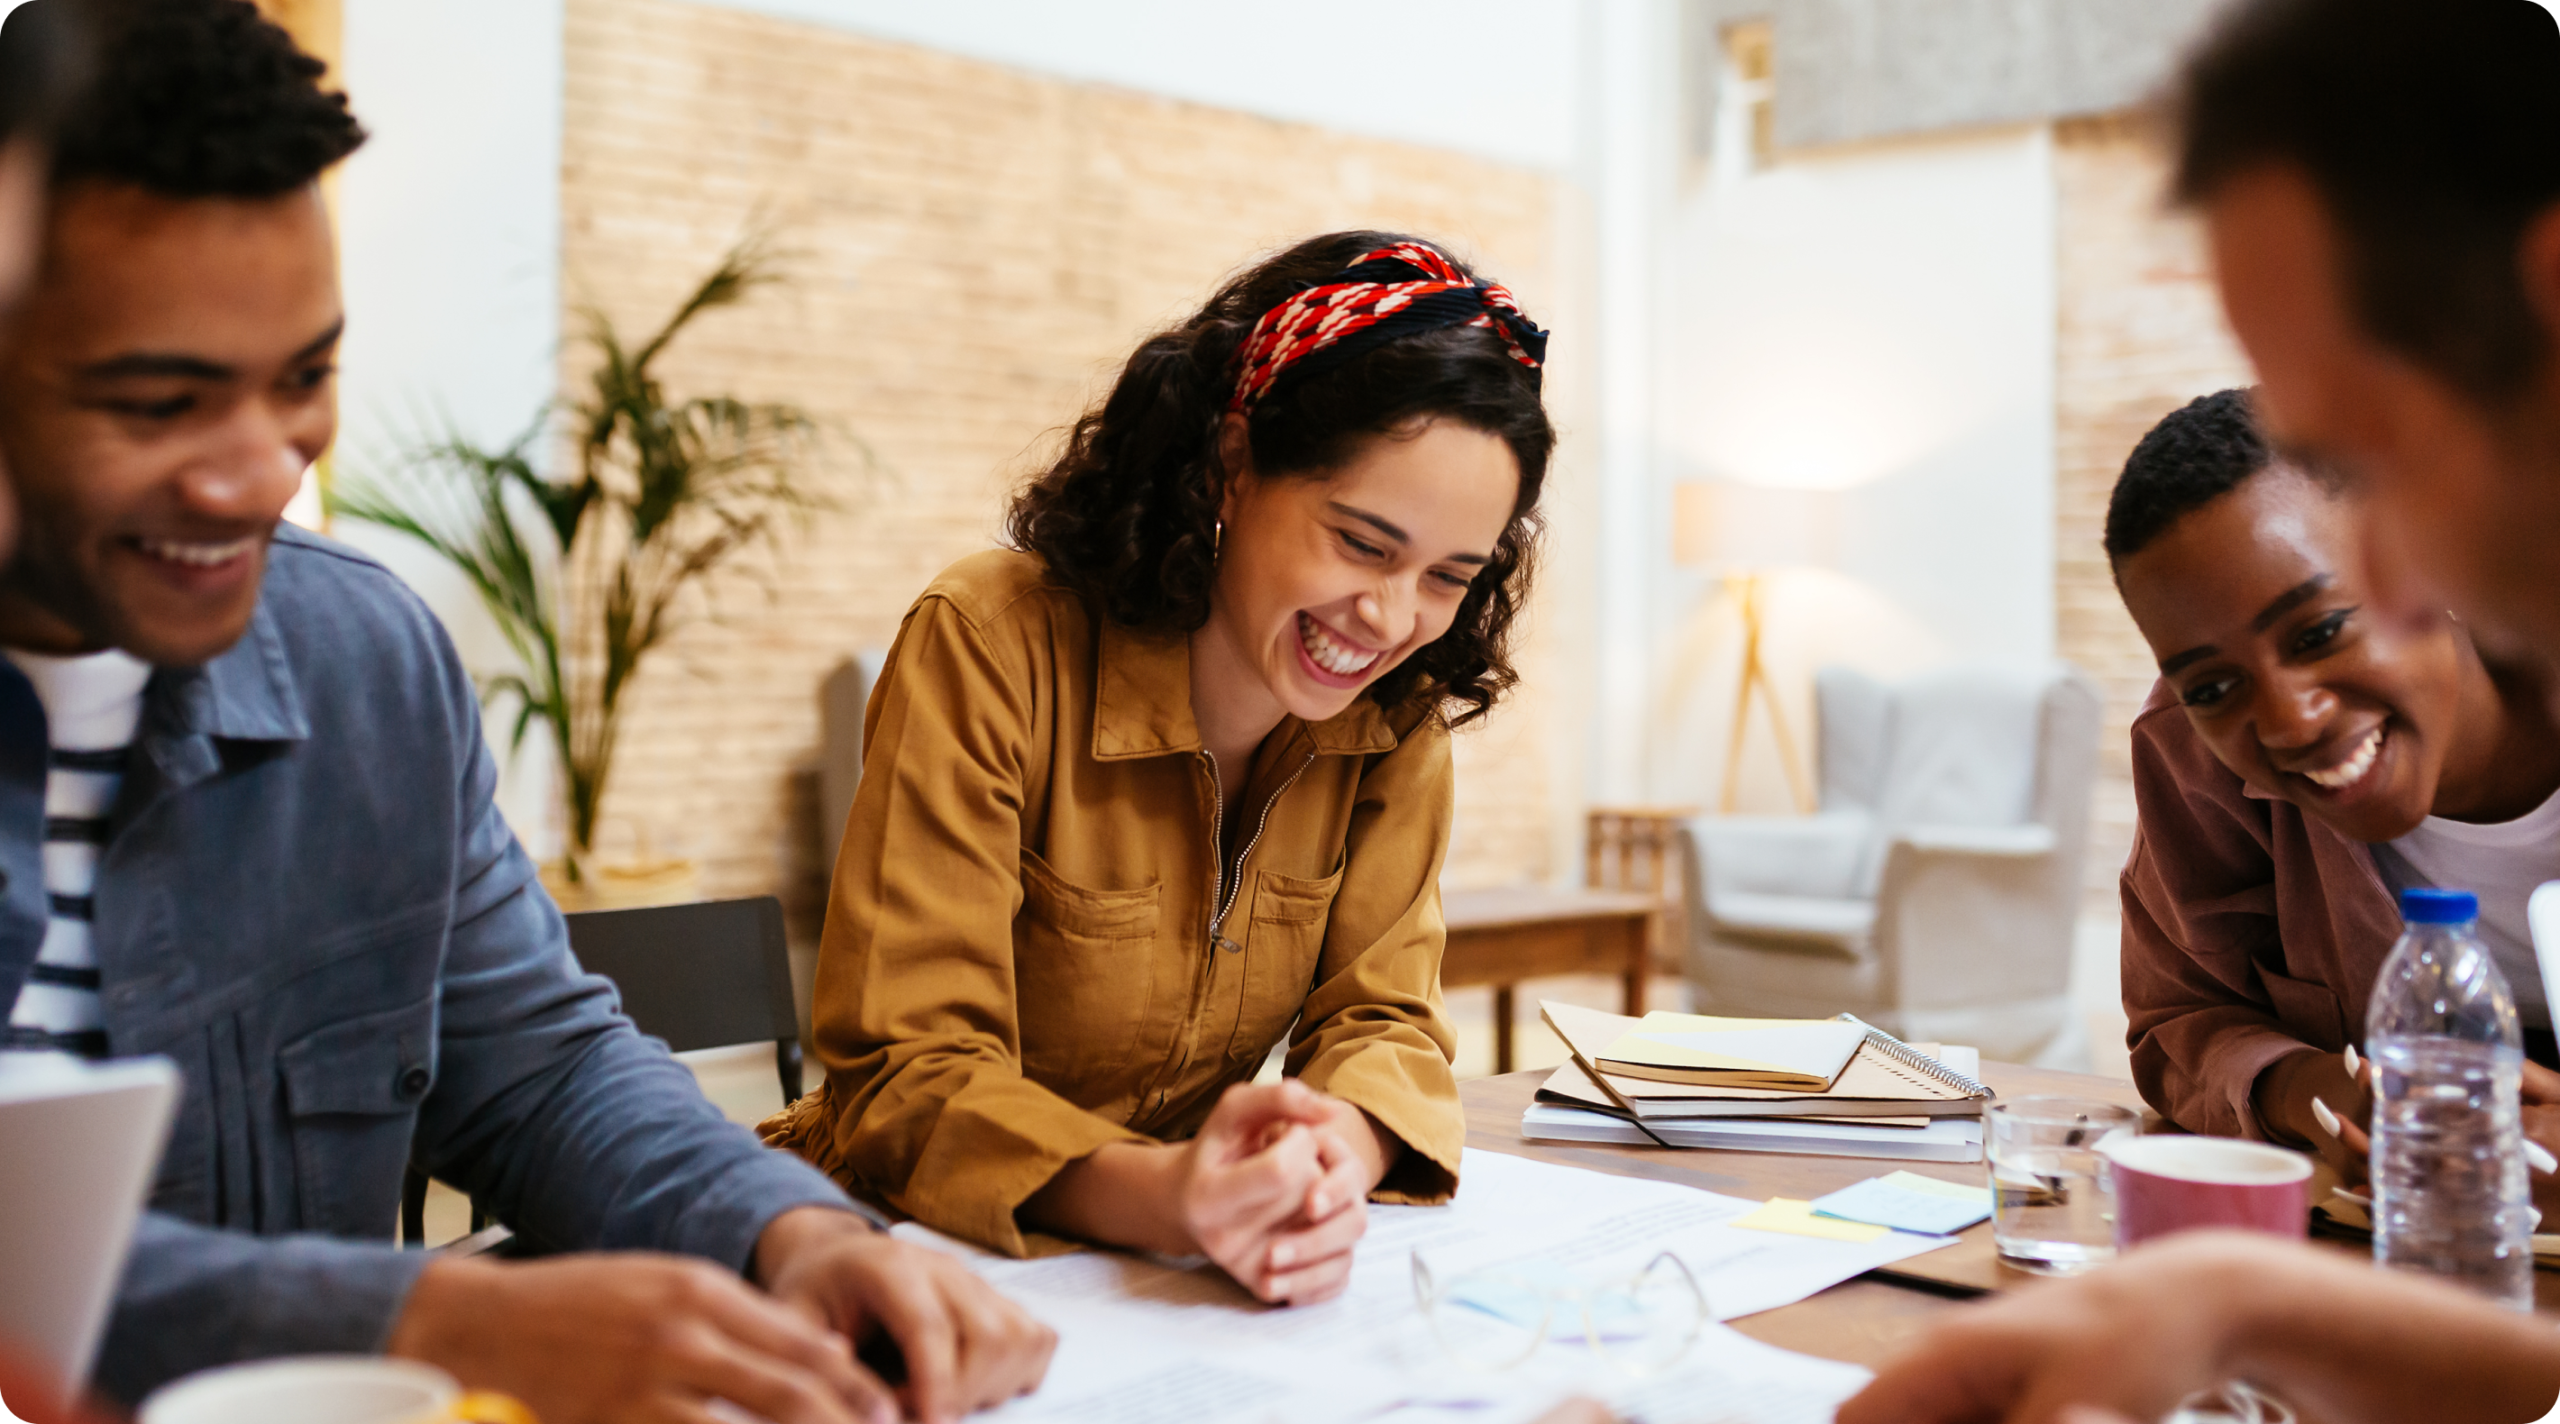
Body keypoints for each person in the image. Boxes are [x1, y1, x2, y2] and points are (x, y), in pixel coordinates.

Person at [0, 3, 1053, 1419]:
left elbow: (539, 1070)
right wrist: (437, 1319)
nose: (257, 474)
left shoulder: (366, 669)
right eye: (159, 402)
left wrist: (784, 1231)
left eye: (305, 378)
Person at [1844, 1, 2560, 1418]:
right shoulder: (2210, 755)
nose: (2396, 565)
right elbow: (2180, 1017)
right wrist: (2252, 1296)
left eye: (2375, 441)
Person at [763, 232, 1552, 1305]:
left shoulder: (1395, 712)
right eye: (1363, 543)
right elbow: (908, 1074)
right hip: (904, 1250)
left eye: (1448, 575)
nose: (1390, 618)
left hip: (1177, 1265)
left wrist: (1339, 1150)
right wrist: (1169, 1195)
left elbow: (1382, 1018)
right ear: (1234, 459)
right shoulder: (993, 640)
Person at [2106, 388, 2560, 1188]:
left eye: (2319, 632)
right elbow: (2181, 1021)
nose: (2288, 722)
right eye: (2212, 687)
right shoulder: (2191, 754)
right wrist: (2323, 1094)